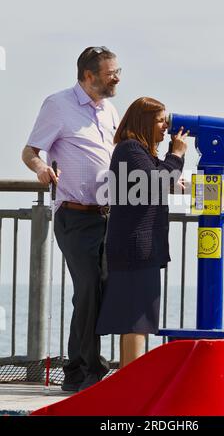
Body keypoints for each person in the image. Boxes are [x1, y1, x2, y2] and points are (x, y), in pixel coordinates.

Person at [22, 46, 121, 392]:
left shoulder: (109, 110)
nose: (117, 78)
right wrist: (41, 168)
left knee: (102, 289)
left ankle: (82, 366)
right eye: (111, 73)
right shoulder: (57, 104)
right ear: (89, 75)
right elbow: (30, 150)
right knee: (89, 288)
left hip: (107, 216)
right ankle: (84, 371)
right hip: (75, 217)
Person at [96, 97, 188, 368]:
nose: (165, 127)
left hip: (139, 246)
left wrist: (169, 164)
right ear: (143, 121)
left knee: (135, 318)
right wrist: (177, 155)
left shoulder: (140, 153)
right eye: (160, 121)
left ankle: (129, 380)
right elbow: (158, 181)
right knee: (136, 318)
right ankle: (131, 383)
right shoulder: (129, 149)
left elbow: (156, 178)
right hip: (135, 247)